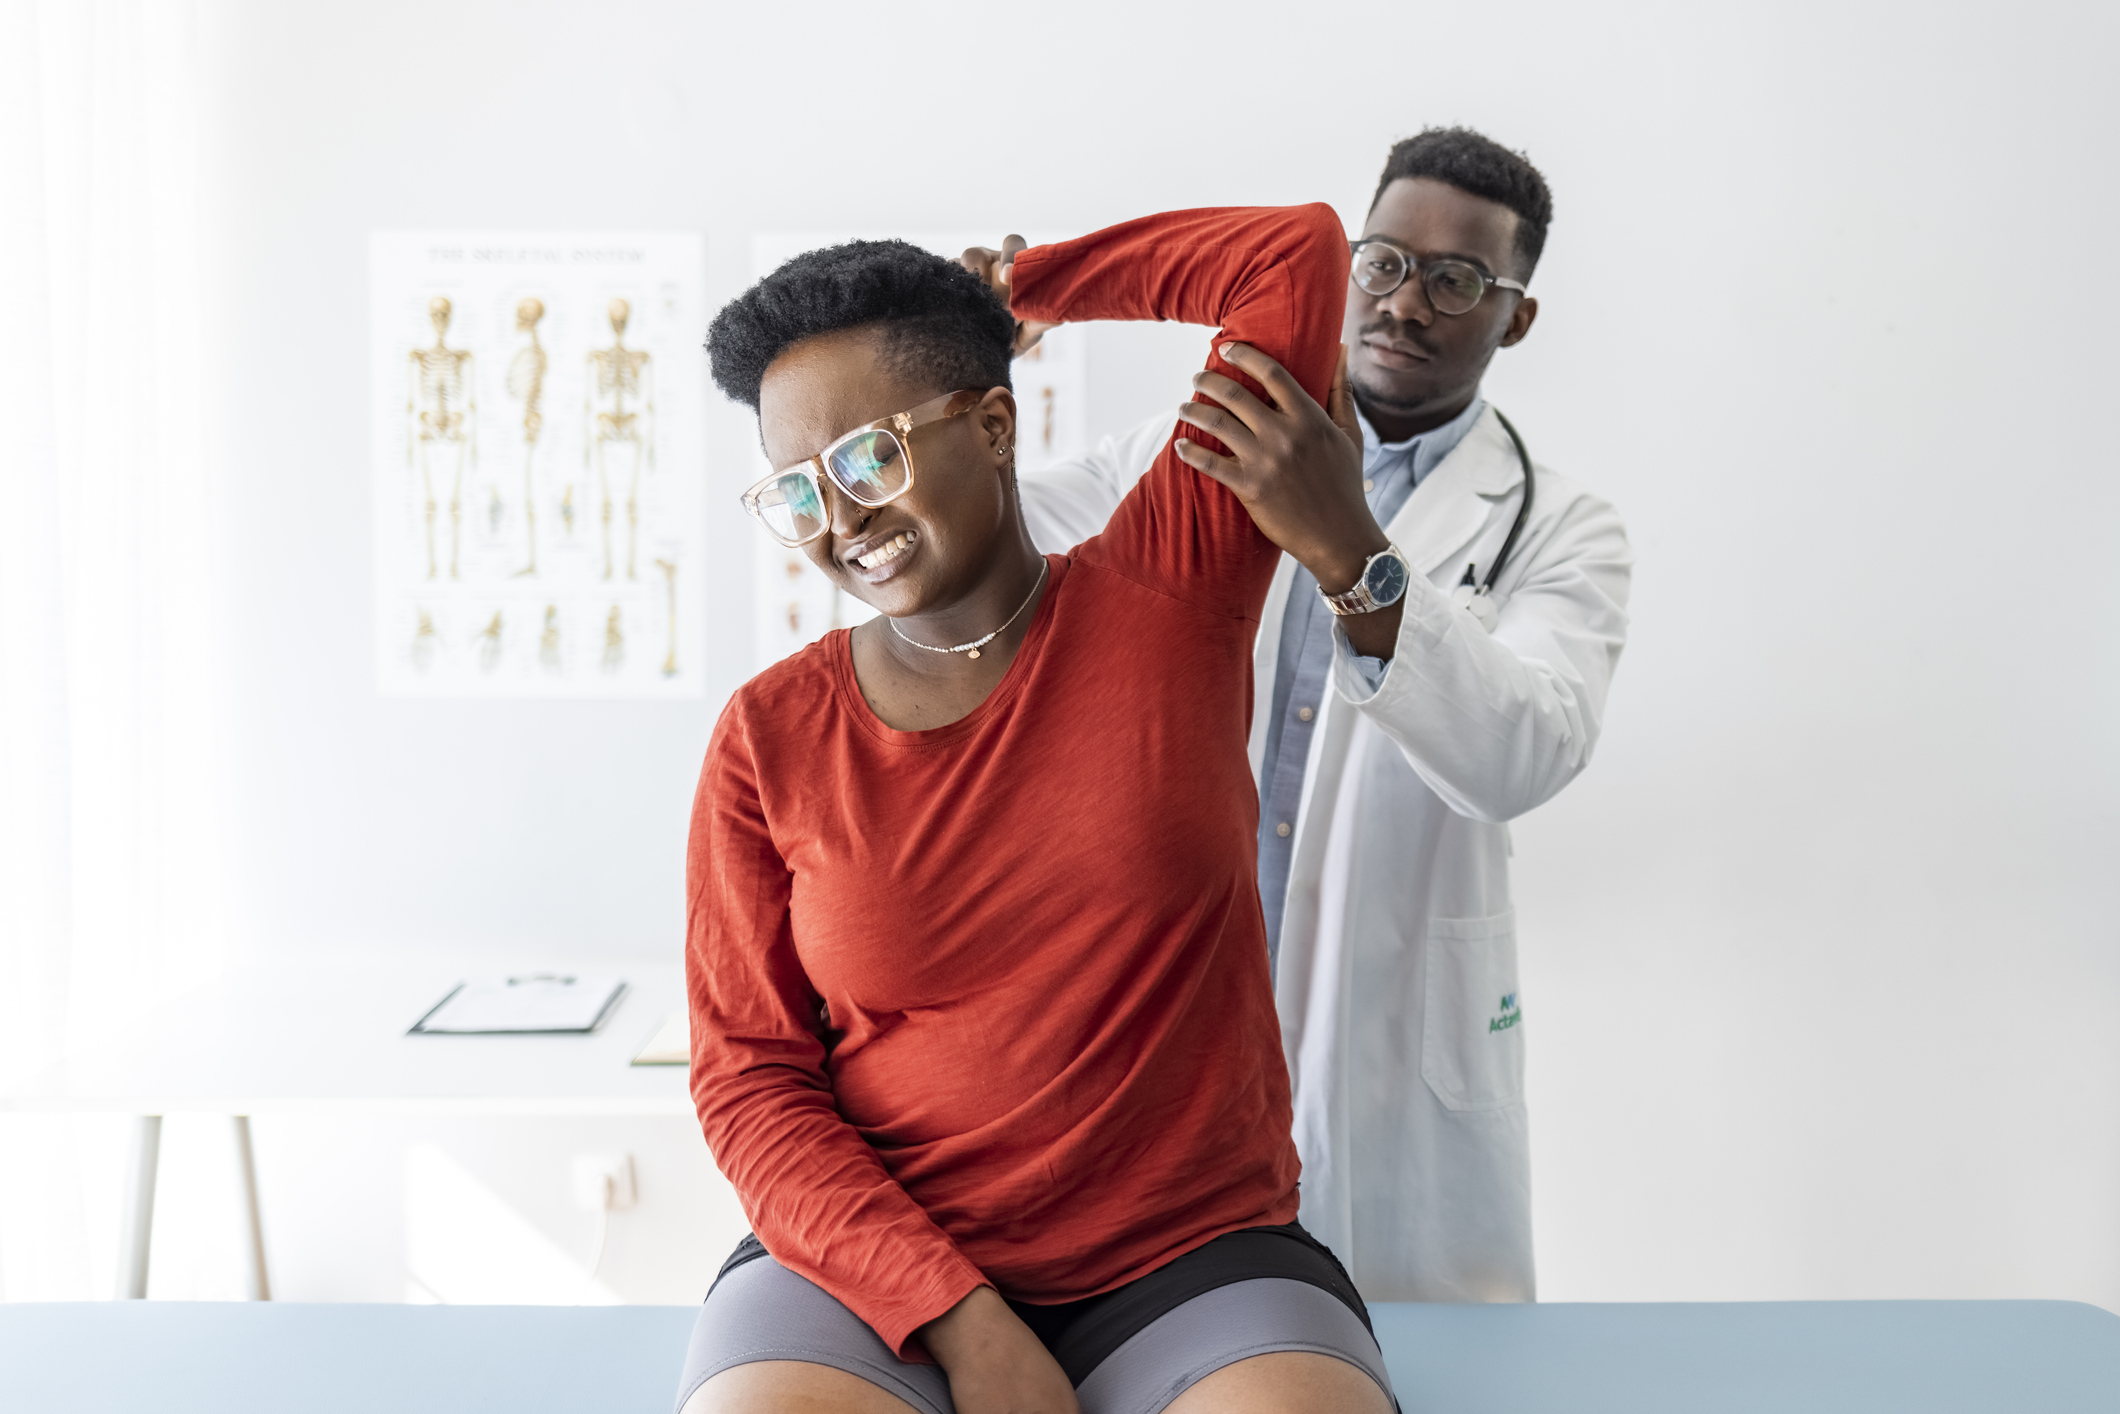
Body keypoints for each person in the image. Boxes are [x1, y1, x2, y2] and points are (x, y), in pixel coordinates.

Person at [679, 205, 1405, 1414]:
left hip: (1185, 1258)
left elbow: (1291, 256)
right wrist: (960, 1321)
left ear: (996, 423)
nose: (841, 518)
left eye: (868, 458)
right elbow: (748, 1077)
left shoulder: (1172, 585)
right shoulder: (768, 739)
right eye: (798, 491)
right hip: (867, 1273)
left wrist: (1028, 284)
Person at [995, 128, 1634, 1304]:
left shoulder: (1561, 529)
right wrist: (976, 376)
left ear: (1516, 318)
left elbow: (1520, 752)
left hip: (1387, 1061)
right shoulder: (1202, 444)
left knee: (1403, 1371)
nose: (1402, 303)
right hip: (1178, 1023)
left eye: (1456, 281)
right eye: (1382, 261)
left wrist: (1347, 542)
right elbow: (998, 548)